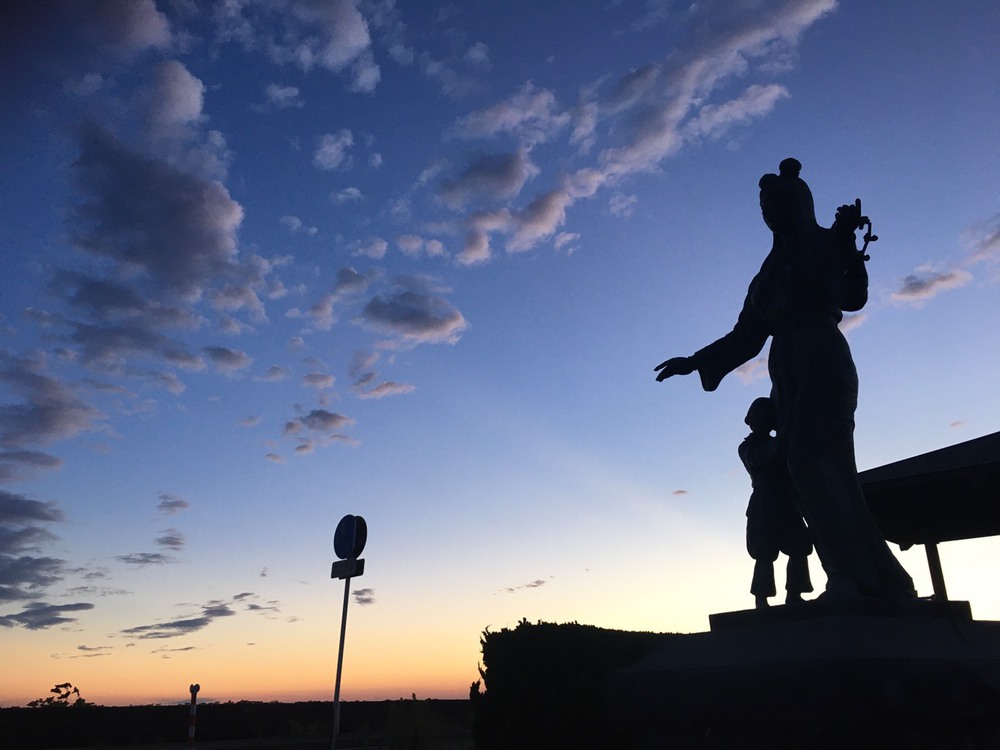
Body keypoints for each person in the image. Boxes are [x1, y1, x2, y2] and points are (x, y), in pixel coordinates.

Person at [655, 158, 914, 600]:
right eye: (762, 206)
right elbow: (746, 336)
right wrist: (696, 361)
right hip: (787, 368)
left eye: (773, 203)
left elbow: (852, 297)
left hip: (822, 355)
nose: (767, 213)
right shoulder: (768, 271)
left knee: (815, 462)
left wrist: (848, 246)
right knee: (802, 467)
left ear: (796, 203)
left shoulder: (824, 243)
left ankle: (858, 578)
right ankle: (854, 576)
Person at [739, 397, 812, 608]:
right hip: (763, 503)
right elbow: (761, 456)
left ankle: (795, 594)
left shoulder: (784, 442)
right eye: (757, 417)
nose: (760, 422)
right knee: (763, 552)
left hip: (787, 502)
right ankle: (761, 598)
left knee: (799, 547)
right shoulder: (747, 447)